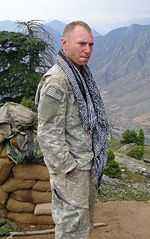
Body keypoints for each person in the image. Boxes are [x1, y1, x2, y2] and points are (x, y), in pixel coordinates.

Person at [36, 20, 109, 239]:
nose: (87, 50)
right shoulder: (57, 81)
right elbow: (48, 133)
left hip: (85, 166)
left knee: (83, 226)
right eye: (81, 44)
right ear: (65, 43)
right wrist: (69, 169)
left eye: (91, 45)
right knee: (70, 228)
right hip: (72, 173)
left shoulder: (80, 75)